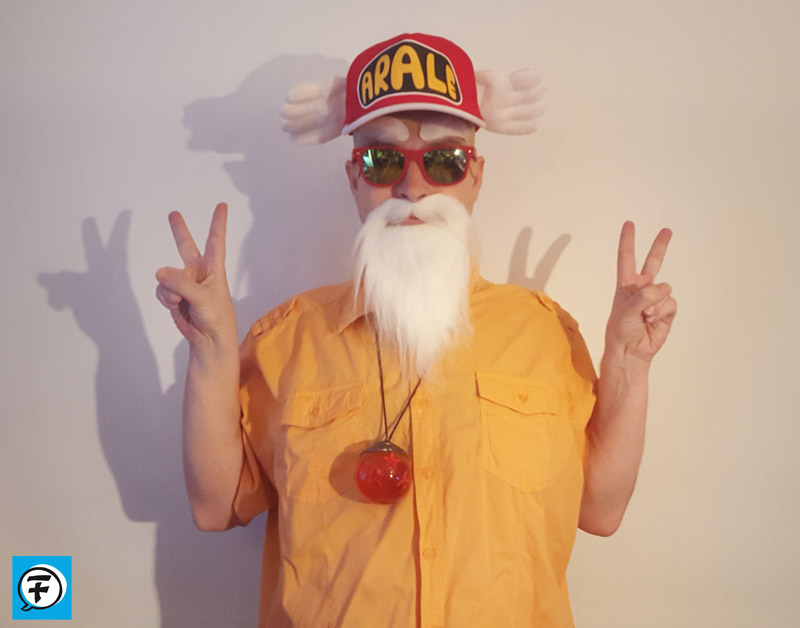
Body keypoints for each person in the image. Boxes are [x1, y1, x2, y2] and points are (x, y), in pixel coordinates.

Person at [156, 33, 676, 628]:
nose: (412, 187)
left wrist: (630, 363)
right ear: (353, 178)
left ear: (475, 175)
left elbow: (601, 511)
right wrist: (211, 348)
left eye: (443, 160)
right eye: (382, 160)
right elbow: (216, 506)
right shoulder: (287, 339)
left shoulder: (545, 334)